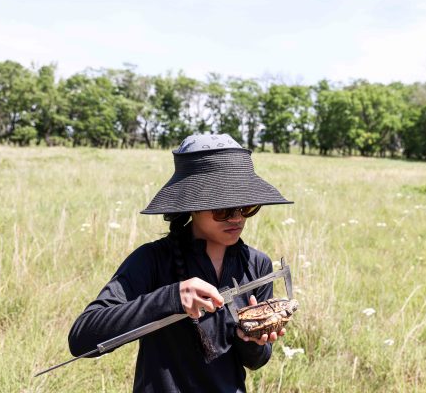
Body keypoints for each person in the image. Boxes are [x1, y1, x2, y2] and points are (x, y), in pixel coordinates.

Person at [68, 134, 293, 392]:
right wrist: (170, 298)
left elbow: (256, 361)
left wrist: (252, 340)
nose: (237, 218)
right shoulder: (152, 260)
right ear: (192, 206)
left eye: (247, 207)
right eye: (223, 210)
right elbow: (81, 338)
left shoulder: (257, 264)